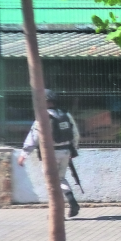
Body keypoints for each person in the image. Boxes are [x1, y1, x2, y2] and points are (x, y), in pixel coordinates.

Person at [17, 89, 81, 218]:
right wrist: (73, 150)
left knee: (52, 183)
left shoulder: (43, 117)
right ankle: (72, 200)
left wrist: (24, 154)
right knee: (60, 178)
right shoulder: (65, 114)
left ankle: (56, 214)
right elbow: (75, 134)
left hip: (50, 155)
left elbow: (33, 137)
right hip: (66, 151)